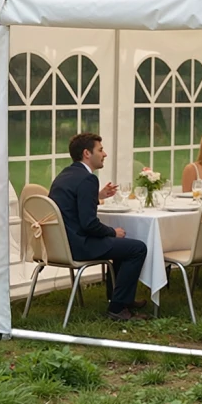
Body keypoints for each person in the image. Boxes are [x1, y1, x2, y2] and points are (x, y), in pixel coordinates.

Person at [49, 132, 148, 322]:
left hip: (61, 245)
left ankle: (121, 299)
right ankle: (117, 308)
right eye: (100, 150)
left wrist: (98, 196)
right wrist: (112, 232)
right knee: (137, 248)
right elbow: (89, 224)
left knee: (123, 247)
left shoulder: (65, 175)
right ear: (87, 153)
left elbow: (71, 205)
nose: (105, 154)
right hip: (79, 245)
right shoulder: (87, 179)